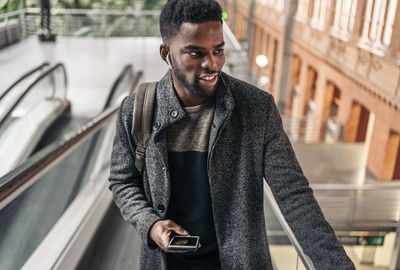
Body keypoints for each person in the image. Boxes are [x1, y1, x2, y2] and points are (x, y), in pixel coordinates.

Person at [108, 0, 356, 269]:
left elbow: (294, 196)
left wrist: (336, 265)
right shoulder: (137, 110)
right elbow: (122, 181)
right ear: (166, 53)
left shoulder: (257, 108)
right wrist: (150, 224)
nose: (212, 64)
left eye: (218, 50)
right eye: (195, 53)